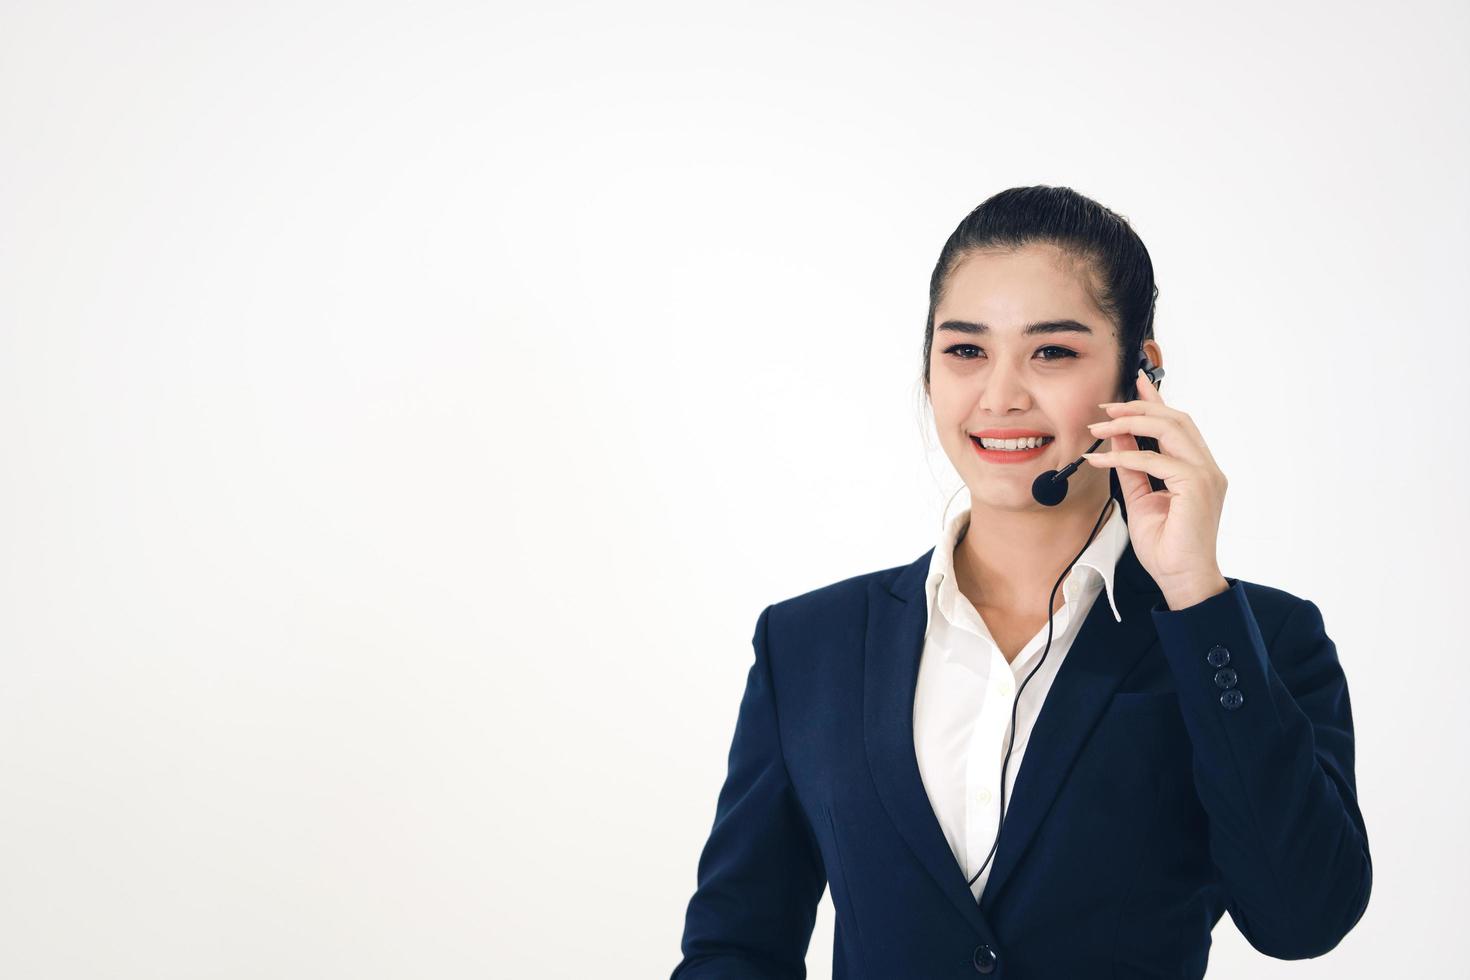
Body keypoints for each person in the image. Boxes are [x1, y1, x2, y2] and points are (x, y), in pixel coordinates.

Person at [669, 186, 1371, 978]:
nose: (1000, 395)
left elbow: (1302, 918)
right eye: (966, 351)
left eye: (1053, 352)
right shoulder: (811, 643)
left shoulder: (1251, 639)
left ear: (1144, 371)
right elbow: (736, 948)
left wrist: (1194, 594)